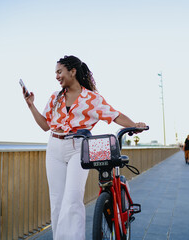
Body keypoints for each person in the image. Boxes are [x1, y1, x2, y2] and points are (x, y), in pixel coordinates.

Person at [22, 55, 146, 240]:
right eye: (55, 72)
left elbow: (115, 115)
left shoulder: (92, 98)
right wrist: (31, 105)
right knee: (57, 201)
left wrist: (134, 125)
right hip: (54, 146)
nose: (56, 76)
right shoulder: (55, 98)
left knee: (72, 199)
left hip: (78, 147)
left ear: (72, 71)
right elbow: (45, 125)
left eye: (59, 71)